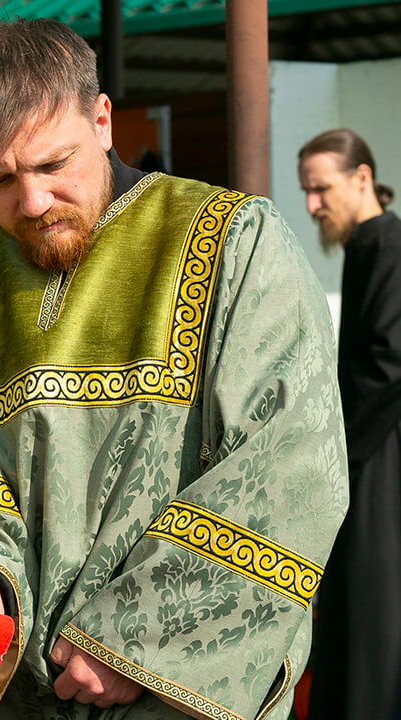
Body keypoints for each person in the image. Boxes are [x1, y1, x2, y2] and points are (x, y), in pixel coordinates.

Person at [0, 19, 347, 719]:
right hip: (21, 692)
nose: (32, 203)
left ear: (103, 119)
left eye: (54, 165)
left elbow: (289, 464)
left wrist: (135, 641)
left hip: (181, 693)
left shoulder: (234, 241)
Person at [298, 128, 401, 720]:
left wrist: (331, 449)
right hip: (368, 453)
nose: (312, 205)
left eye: (320, 189)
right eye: (307, 191)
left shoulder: (388, 246)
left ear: (362, 178)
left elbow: (389, 362)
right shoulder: (370, 245)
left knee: (371, 622)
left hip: (377, 457)